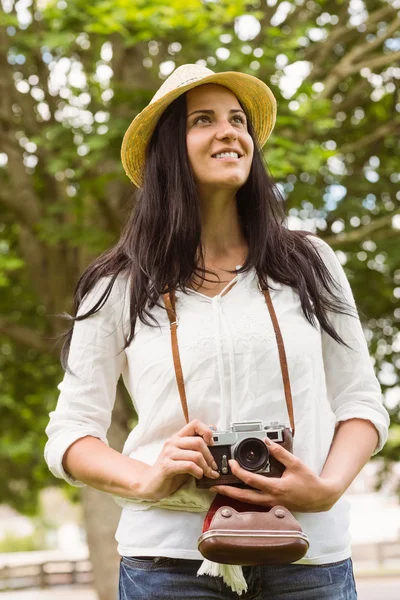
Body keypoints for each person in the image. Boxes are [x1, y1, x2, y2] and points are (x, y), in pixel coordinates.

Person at [44, 64, 389, 600]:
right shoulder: (118, 285)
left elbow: (362, 402)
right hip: (169, 561)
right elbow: (70, 433)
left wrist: (325, 489)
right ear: (167, 152)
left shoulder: (310, 263)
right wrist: (146, 478)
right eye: (203, 120)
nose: (231, 132)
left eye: (238, 120)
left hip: (307, 553)